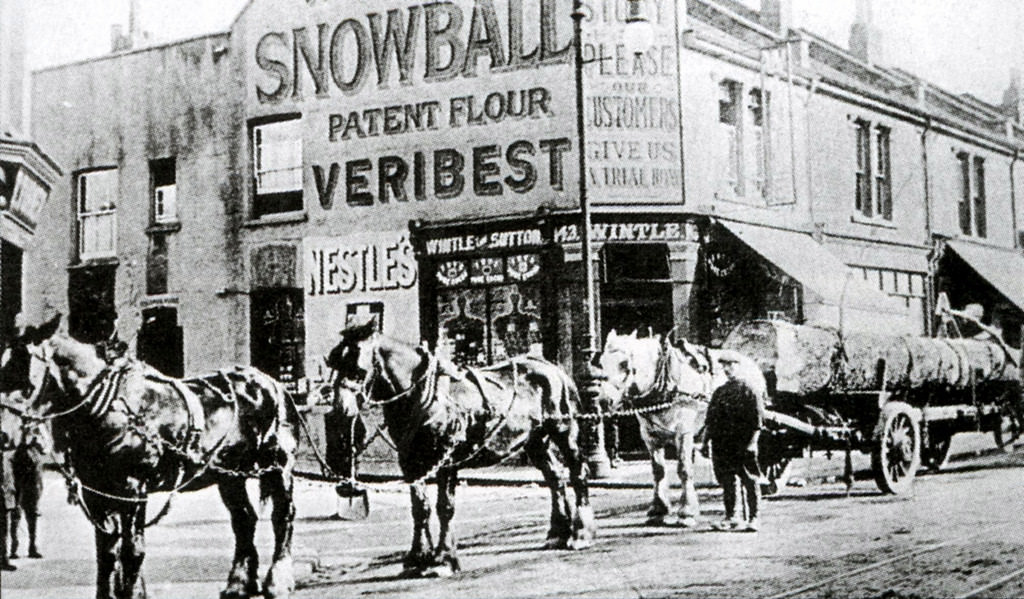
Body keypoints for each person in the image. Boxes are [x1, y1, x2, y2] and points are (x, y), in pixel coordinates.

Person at [702, 350, 765, 532]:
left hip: (743, 443)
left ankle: (754, 518)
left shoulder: (749, 390)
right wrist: (705, 443)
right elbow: (711, 420)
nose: (728, 369)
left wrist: (753, 443)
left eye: (731, 365)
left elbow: (757, 421)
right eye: (724, 366)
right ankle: (732, 517)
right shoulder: (720, 392)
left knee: (750, 479)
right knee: (728, 482)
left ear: (739, 366)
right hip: (723, 445)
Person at [10, 420, 46, 560]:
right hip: (17, 474)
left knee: (33, 513)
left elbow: (47, 448)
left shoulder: (39, 428)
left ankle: (33, 546)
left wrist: (36, 436)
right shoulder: (14, 424)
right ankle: (13, 547)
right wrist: (22, 435)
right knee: (15, 512)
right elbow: (10, 445)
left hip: (34, 477)